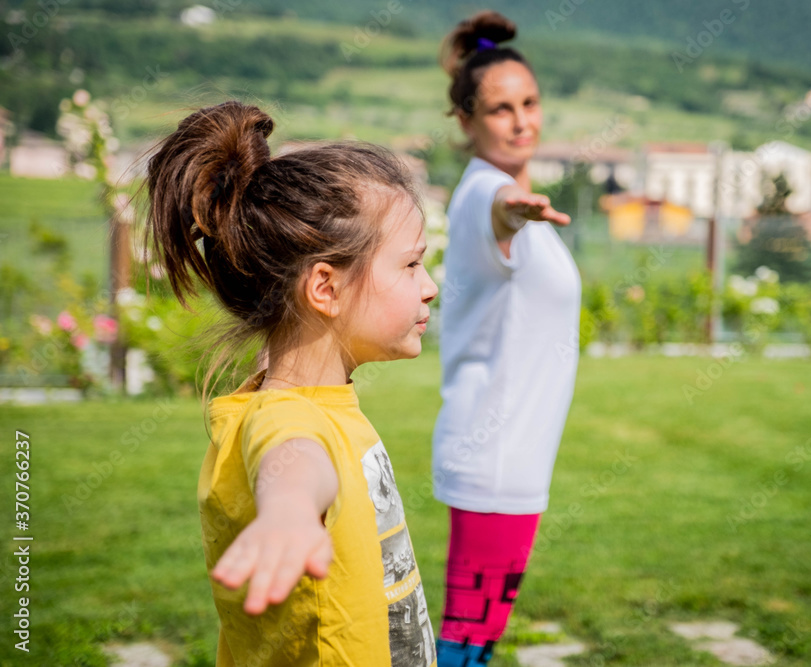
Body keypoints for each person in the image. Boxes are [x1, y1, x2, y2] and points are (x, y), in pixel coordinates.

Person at [144, 100, 439, 666]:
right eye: (410, 265)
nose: (428, 287)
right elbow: (293, 460)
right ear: (324, 288)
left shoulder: (318, 400)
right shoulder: (287, 415)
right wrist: (290, 513)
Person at [431, 12, 582, 666]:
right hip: (494, 456)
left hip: (513, 456)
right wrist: (511, 214)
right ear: (466, 121)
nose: (521, 120)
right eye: (500, 109)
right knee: (467, 643)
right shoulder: (484, 196)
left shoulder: (513, 195)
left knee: (476, 640)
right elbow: (493, 214)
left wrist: (520, 211)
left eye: (529, 102)